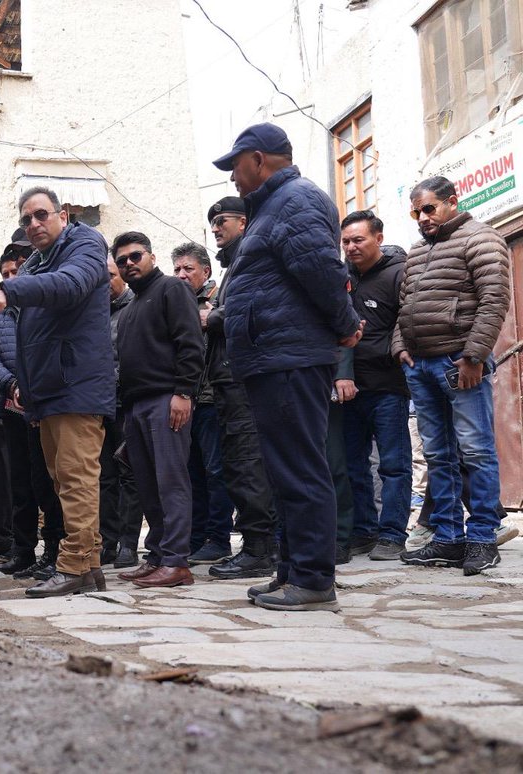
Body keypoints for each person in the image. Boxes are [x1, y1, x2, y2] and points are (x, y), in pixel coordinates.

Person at [212, 123, 362, 611]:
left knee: (300, 467)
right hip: (270, 357)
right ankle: (292, 569)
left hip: (291, 356)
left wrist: (346, 325)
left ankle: (315, 579)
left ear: (257, 159)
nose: (232, 177)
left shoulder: (297, 199)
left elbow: (323, 271)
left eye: (235, 165)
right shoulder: (269, 208)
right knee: (283, 471)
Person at [0, 187, 114, 598]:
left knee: (75, 478)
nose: (33, 225)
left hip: (77, 385)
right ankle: (88, 565)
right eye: (26, 219)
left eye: (40, 215)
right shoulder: (39, 259)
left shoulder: (86, 244)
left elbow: (70, 285)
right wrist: (29, 394)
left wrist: (9, 289)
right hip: (51, 390)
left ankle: (72, 565)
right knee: (63, 480)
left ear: (63, 215)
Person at [395, 175, 510, 575]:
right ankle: (447, 538)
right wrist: (400, 347)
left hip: (460, 363)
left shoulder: (481, 238)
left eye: (429, 208)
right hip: (421, 366)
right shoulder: (416, 251)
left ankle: (482, 538)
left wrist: (475, 355)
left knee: (475, 452)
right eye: (416, 212)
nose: (422, 218)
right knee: (438, 456)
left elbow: (495, 300)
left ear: (451, 202)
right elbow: (404, 305)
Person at [112, 233, 204, 588]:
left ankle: (178, 562)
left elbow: (190, 342)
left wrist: (184, 392)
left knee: (171, 482)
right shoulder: (133, 305)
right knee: (148, 486)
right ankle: (159, 556)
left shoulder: (172, 288)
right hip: (136, 406)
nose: (129, 263)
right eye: (122, 261)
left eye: (135, 256)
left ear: (150, 256)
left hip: (167, 400)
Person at [201, 196, 279, 581]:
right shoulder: (236, 264)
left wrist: (211, 317)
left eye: (222, 220)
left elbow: (251, 308)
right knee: (240, 464)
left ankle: (258, 550)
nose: (216, 227)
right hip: (229, 379)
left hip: (242, 378)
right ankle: (261, 546)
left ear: (245, 222)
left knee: (247, 464)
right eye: (212, 222)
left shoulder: (251, 259)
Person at [0, 237, 66, 579]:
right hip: (11, 409)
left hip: (43, 408)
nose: (12, 277)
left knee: (46, 482)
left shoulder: (44, 307)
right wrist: (14, 385)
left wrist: (30, 387)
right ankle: (23, 549)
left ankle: (53, 551)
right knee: (18, 484)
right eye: (6, 273)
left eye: (17, 270)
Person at [336, 213, 411, 561]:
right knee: (353, 464)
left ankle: (393, 534)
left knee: (393, 464)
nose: (351, 247)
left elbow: (406, 325)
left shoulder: (399, 274)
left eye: (358, 240)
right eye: (346, 241)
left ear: (378, 238)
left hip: (388, 386)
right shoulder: (340, 279)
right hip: (347, 388)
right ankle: (363, 531)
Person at [171, 241, 235, 565]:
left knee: (215, 471)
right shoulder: (176, 305)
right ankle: (196, 539)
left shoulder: (216, 301)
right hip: (187, 402)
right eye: (177, 270)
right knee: (192, 472)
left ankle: (218, 538)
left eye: (188, 269)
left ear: (205, 272)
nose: (181, 275)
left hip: (212, 399)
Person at [100, 257, 144, 568]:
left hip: (128, 403)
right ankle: (107, 542)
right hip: (100, 405)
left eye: (111, 276)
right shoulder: (94, 314)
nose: (106, 283)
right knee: (104, 477)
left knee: (130, 475)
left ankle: (129, 544)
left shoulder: (137, 307)